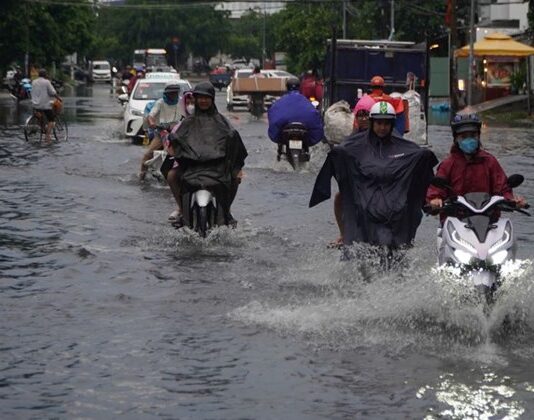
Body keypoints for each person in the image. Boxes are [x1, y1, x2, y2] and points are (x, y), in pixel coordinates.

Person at [310, 101, 438, 253]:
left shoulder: (403, 147)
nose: (382, 127)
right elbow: (342, 152)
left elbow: (418, 156)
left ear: (392, 125)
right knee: (342, 198)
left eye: (386, 123)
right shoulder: (355, 145)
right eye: (379, 123)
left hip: (394, 207)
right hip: (365, 202)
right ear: (372, 123)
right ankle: (344, 236)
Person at [169, 82, 247, 226]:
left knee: (235, 179)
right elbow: (177, 140)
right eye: (200, 98)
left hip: (217, 167)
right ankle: (182, 209)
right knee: (171, 175)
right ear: (196, 99)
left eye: (207, 98)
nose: (203, 101)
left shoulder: (222, 122)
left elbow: (234, 141)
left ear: (212, 99)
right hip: (191, 167)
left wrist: (237, 167)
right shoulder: (187, 122)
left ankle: (226, 210)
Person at [427, 113, 527, 216]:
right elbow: (436, 190)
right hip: (456, 219)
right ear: (456, 138)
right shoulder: (448, 164)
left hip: (488, 219)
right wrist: (435, 200)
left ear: (478, 136)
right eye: (464, 136)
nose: (469, 139)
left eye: (473, 135)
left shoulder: (490, 161)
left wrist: (513, 201)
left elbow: (503, 188)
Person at [330, 94, 376, 247]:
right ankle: (343, 235)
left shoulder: (385, 137)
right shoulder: (351, 140)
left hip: (381, 185)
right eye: (360, 115)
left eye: (367, 115)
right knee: (338, 198)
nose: (364, 119)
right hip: (358, 184)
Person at [139, 82, 184, 182]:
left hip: (177, 134)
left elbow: (187, 115)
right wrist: (152, 122)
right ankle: (142, 175)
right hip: (161, 133)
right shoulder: (160, 103)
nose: (173, 95)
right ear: (167, 94)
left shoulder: (181, 103)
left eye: (175, 93)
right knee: (148, 154)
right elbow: (151, 115)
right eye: (171, 93)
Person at [267, 77, 324, 146]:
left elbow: (272, 115)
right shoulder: (305, 100)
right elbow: (315, 118)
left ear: (287, 87)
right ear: (299, 87)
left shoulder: (281, 101)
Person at [31, 68, 62, 145]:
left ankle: (43, 129)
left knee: (40, 117)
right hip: (44, 105)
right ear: (45, 75)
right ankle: (47, 136)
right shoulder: (46, 82)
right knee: (51, 120)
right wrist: (59, 98)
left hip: (35, 104)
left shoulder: (34, 82)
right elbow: (53, 92)